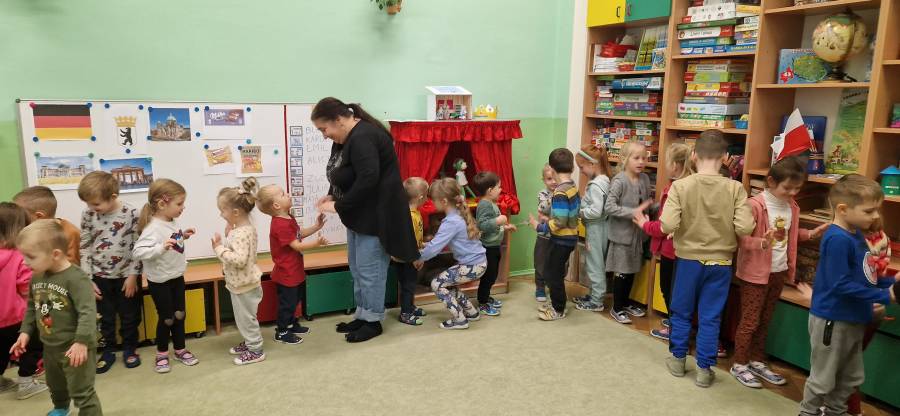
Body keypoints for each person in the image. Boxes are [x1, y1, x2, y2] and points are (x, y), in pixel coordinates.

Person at [312, 97, 419, 343]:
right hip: (359, 216)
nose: (324, 135)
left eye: (324, 129)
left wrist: (338, 205)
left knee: (371, 272)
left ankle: (373, 321)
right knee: (358, 269)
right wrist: (332, 193)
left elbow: (368, 179)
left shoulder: (364, 137)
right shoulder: (346, 137)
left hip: (375, 218)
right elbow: (341, 171)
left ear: (338, 120)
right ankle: (362, 314)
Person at [661, 130, 755, 388]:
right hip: (721, 264)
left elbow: (667, 224)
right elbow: (745, 228)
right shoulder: (735, 188)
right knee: (710, 317)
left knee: (681, 312)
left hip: (688, 261)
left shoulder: (681, 186)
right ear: (725, 157)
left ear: (693, 155)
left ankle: (678, 360)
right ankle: (704, 370)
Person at [799, 174, 896, 416]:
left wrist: (890, 281)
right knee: (823, 377)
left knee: (851, 376)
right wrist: (885, 295)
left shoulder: (856, 235)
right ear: (843, 209)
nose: (875, 216)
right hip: (833, 319)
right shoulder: (837, 239)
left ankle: (836, 411)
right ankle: (808, 412)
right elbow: (839, 285)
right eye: (869, 211)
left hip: (854, 318)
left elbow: (865, 276)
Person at [731, 157, 827, 388]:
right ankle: (739, 364)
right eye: (787, 188)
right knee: (750, 321)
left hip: (778, 271)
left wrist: (811, 234)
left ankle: (756, 360)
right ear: (771, 181)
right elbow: (740, 239)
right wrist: (762, 243)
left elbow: (790, 234)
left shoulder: (792, 206)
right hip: (755, 274)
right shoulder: (755, 205)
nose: (792, 193)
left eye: (797, 188)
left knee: (765, 320)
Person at [11, 219, 102, 416]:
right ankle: (61, 407)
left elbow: (87, 312)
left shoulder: (77, 279)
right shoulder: (37, 276)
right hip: (50, 346)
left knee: (81, 390)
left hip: (75, 347)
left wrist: (81, 342)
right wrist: (25, 332)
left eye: (30, 256)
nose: (25, 262)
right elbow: (32, 307)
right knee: (56, 384)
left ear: (55, 254)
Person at [75, 171, 143, 373]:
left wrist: (133, 276)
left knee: (130, 316)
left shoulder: (131, 213)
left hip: (127, 277)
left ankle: (130, 348)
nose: (91, 208)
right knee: (105, 317)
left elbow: (138, 247)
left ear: (113, 197)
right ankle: (108, 351)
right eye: (88, 204)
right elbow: (85, 246)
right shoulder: (88, 214)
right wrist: (88, 279)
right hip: (99, 277)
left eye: (96, 204)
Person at [132, 179, 199, 373]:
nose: (183, 207)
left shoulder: (171, 221)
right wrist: (160, 248)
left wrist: (182, 236)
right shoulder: (152, 227)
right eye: (179, 204)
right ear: (162, 204)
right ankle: (162, 354)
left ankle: (180, 349)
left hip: (176, 276)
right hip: (160, 281)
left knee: (180, 314)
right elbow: (138, 252)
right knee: (167, 318)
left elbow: (170, 241)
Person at [634, 143, 693, 340]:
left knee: (669, 290)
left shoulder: (675, 189)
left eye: (666, 162)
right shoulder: (691, 185)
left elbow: (663, 225)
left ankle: (676, 329)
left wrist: (644, 223)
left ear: (675, 165)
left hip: (672, 250)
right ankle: (676, 322)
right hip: (685, 250)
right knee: (679, 292)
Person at [413, 178, 487, 330]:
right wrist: (428, 246)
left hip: (472, 266)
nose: (432, 203)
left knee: (437, 283)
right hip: (478, 263)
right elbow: (441, 242)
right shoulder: (458, 215)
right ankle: (471, 312)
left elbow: (435, 248)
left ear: (444, 201)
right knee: (447, 282)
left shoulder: (450, 222)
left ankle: (460, 319)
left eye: (434, 200)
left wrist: (419, 258)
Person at [258, 184, 326, 344]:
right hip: (286, 273)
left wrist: (316, 227)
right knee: (287, 304)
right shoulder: (279, 224)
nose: (288, 194)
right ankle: (282, 331)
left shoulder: (288, 217)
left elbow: (298, 234)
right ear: (276, 205)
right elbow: (296, 245)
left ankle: (292, 325)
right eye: (283, 194)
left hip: (295, 270)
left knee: (295, 300)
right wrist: (316, 244)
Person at [212, 178, 266, 365]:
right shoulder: (245, 229)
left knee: (246, 320)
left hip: (244, 286)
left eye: (223, 210)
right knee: (245, 319)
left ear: (235, 212)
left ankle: (256, 350)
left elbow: (240, 260)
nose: (221, 214)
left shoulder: (240, 234)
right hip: (244, 283)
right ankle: (250, 342)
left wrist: (219, 248)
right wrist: (229, 235)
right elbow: (242, 251)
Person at [0, 202, 48, 400]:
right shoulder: (20, 258)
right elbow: (28, 289)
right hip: (18, 318)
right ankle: (26, 382)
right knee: (33, 346)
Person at [529, 148, 580, 321]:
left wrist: (539, 226)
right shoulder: (572, 186)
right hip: (570, 237)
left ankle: (558, 309)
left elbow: (559, 221)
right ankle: (558, 303)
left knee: (553, 274)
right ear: (572, 167)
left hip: (562, 239)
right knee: (554, 271)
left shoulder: (559, 192)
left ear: (552, 168)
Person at [605, 141, 653, 324]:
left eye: (644, 158)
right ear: (624, 159)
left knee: (632, 270)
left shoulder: (645, 179)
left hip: (638, 236)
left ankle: (625, 303)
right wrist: (632, 212)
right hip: (622, 236)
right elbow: (609, 207)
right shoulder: (619, 180)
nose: (641, 162)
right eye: (636, 158)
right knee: (622, 272)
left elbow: (645, 204)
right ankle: (616, 307)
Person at [571, 143, 613, 312]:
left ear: (592, 164)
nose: (581, 171)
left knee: (595, 264)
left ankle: (596, 301)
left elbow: (595, 211)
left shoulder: (596, 185)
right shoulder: (604, 180)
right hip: (601, 227)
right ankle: (594, 294)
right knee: (596, 262)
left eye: (581, 167)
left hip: (596, 229)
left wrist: (579, 212)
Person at [472, 171, 515, 317]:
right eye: (498, 187)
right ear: (490, 190)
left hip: (494, 246)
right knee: (489, 276)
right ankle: (482, 302)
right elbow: (482, 225)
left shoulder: (491, 203)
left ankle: (486, 296)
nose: (500, 189)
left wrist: (505, 227)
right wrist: (498, 221)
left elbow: (493, 226)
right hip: (487, 248)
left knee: (493, 274)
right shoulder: (484, 205)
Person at [14, 186, 81, 264]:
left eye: (21, 216)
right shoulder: (25, 232)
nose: (17, 219)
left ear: (39, 216)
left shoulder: (70, 233)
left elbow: (71, 265)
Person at [394, 177, 429, 326]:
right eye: (426, 195)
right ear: (420, 197)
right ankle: (406, 313)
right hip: (407, 258)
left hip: (408, 256)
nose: (427, 198)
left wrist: (422, 244)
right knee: (408, 285)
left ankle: (410, 307)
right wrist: (415, 257)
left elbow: (414, 236)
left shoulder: (411, 212)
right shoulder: (409, 216)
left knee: (410, 284)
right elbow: (407, 240)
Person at [533, 164, 557, 302]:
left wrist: (548, 218)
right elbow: (542, 209)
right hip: (544, 236)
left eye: (555, 178)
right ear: (544, 180)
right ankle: (540, 287)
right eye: (549, 179)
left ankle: (554, 285)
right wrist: (554, 196)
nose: (553, 181)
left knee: (557, 263)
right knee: (540, 262)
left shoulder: (563, 193)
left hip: (558, 236)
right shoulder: (543, 194)